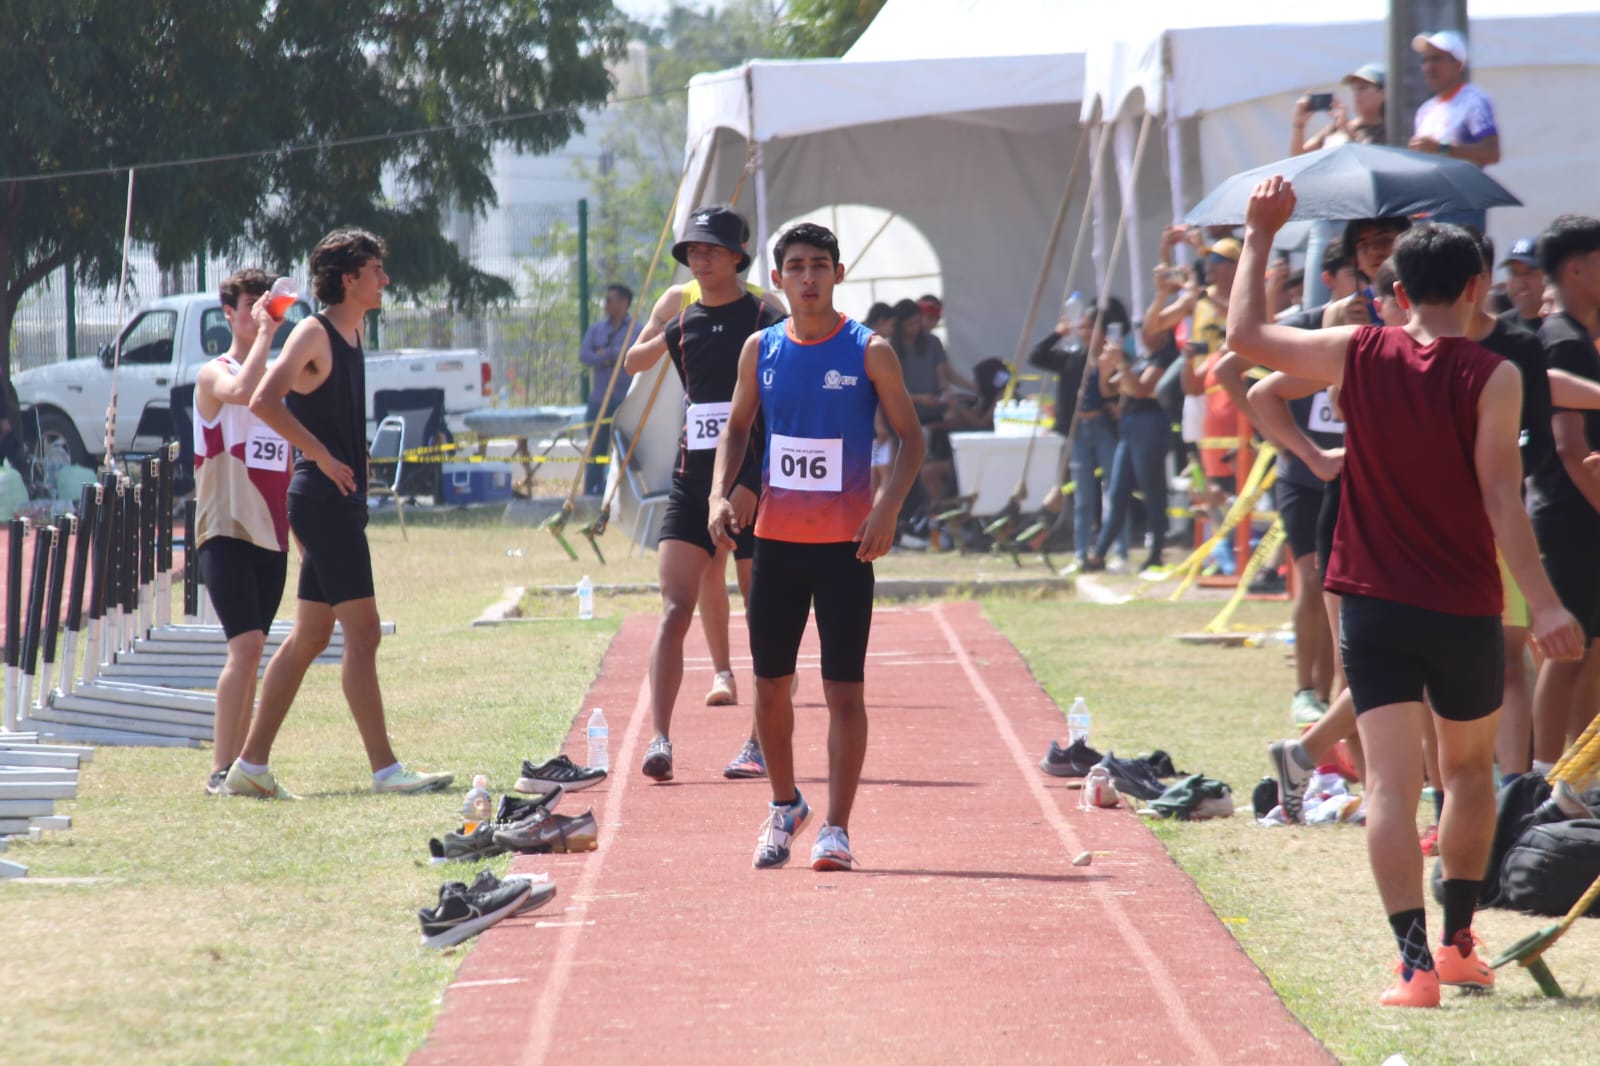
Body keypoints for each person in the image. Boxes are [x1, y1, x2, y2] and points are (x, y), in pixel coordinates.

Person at [1228, 177, 1584, 1008]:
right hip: (1463, 601)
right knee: (1466, 774)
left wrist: (1259, 235)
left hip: (1371, 598)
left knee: (1389, 786)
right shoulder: (1494, 375)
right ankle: (1459, 945)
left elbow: (1244, 341)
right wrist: (1546, 603)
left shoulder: (1355, 350)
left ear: (1396, 290)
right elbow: (1503, 500)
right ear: (1475, 287)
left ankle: (1413, 966)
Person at [709, 221, 924, 871]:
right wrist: (719, 494)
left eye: (820, 266)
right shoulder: (760, 348)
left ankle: (837, 827)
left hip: (845, 551)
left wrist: (886, 509)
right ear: (778, 278)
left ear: (837, 273)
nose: (808, 277)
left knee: (844, 692)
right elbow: (737, 428)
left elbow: (912, 438)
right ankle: (785, 805)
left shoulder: (870, 350)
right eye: (797, 266)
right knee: (770, 687)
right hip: (775, 546)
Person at [231, 227, 454, 798]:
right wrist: (323, 456)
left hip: (339, 502)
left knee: (310, 635)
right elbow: (262, 400)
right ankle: (386, 770)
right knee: (365, 631)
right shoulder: (314, 331)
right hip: (321, 500)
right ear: (349, 278)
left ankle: (249, 767)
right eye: (376, 271)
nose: (385, 280)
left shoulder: (353, 334)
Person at [622, 205, 785, 781]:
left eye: (712, 249)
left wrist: (750, 482)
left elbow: (781, 411)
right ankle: (660, 740)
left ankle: (758, 743)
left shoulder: (766, 317)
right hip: (691, 482)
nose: (701, 258)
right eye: (693, 249)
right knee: (673, 609)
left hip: (756, 487)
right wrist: (661, 320)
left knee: (764, 617)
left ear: (738, 257)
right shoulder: (682, 321)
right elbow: (634, 360)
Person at [193, 270, 292, 796]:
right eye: (252, 306)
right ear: (228, 313)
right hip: (225, 526)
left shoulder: (278, 375)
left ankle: (239, 771)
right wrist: (268, 336)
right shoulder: (214, 373)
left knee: (254, 652)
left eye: (268, 306)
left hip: (272, 532)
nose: (260, 315)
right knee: (246, 644)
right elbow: (242, 392)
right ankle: (218, 770)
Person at [1528, 215, 1600, 775]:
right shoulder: (1565, 342)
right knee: (1567, 649)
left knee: (1589, 649)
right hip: (1570, 514)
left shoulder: (1572, 337)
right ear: (1576, 268)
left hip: (1576, 512)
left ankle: (1575, 778)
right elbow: (1569, 445)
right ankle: (1541, 775)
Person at [1028, 299, 1131, 569]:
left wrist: (1116, 402)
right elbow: (1036, 356)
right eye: (1083, 327)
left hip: (1104, 428)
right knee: (1084, 496)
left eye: (1090, 327)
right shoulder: (1072, 358)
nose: (1084, 332)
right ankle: (1081, 554)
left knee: (1114, 492)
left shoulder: (1114, 357)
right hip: (1078, 431)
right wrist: (1058, 334)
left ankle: (1120, 552)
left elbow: (1127, 386)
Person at [1410, 30, 1500, 234]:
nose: (1428, 67)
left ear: (1458, 64)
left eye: (1437, 59)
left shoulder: (1474, 100)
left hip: (1462, 205)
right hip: (1429, 207)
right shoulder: (1425, 111)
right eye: (1425, 60)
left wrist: (1440, 148)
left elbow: (1492, 153)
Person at [579, 283, 634, 497]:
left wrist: (606, 354)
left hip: (625, 400)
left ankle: (626, 492)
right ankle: (592, 490)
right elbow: (585, 355)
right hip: (599, 399)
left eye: (610, 300)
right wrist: (610, 357)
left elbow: (631, 351)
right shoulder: (597, 329)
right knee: (596, 447)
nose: (605, 304)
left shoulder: (636, 328)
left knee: (628, 447)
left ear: (624, 303)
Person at [1290, 62, 1386, 156]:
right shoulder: (1338, 126)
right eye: (1354, 88)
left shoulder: (1390, 131)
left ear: (1384, 92)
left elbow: (1369, 160)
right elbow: (1298, 158)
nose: (1357, 93)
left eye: (1363, 88)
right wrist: (1299, 125)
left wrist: (1346, 130)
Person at [1498, 237, 1545, 332]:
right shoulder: (1501, 327)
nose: (1520, 283)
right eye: (1514, 273)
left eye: (1530, 273)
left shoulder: (1565, 327)